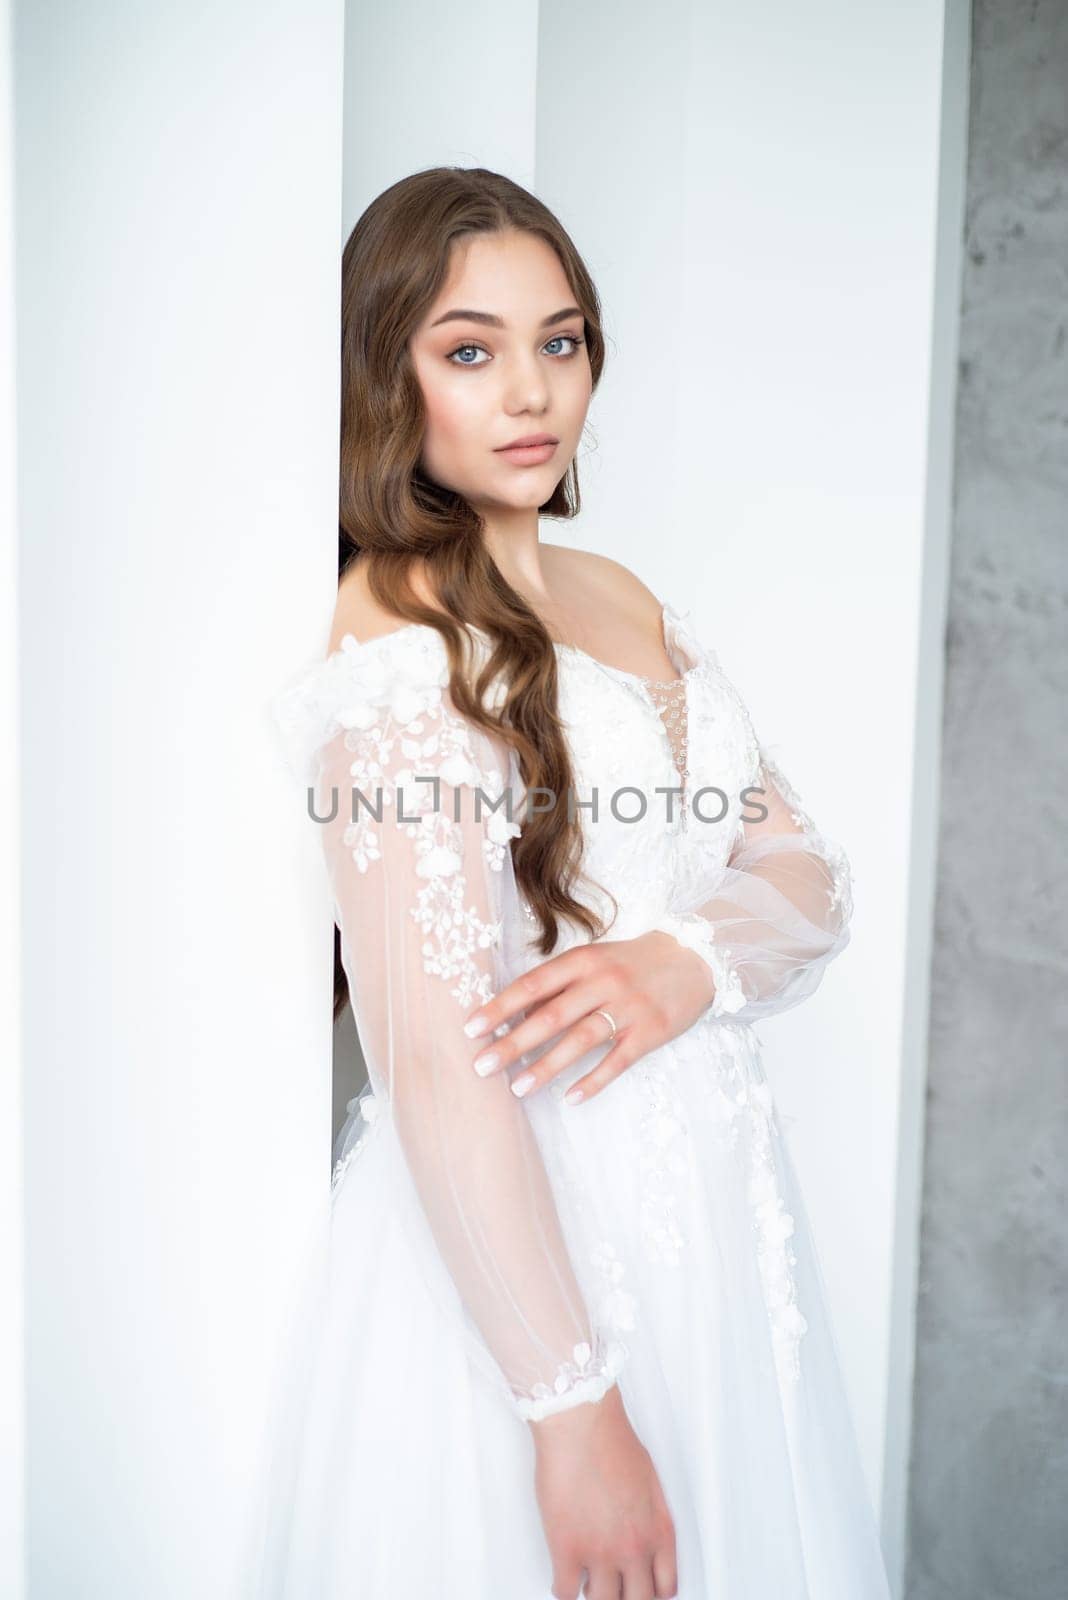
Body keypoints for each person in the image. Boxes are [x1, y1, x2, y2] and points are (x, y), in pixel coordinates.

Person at [255, 166, 893, 1599]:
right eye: (469, 350)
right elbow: (428, 1057)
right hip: (533, 1242)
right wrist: (571, 1409)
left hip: (721, 1221)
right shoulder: (395, 630)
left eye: (562, 339)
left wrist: (680, 961)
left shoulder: (626, 595)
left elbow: (807, 871)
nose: (532, 389)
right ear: (389, 373)